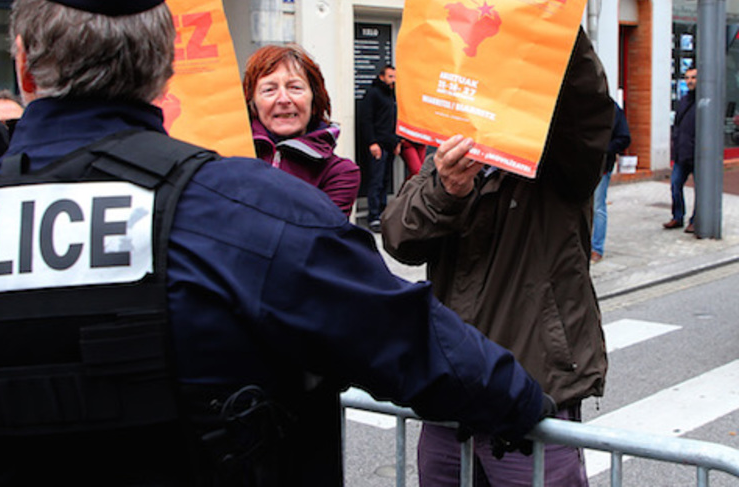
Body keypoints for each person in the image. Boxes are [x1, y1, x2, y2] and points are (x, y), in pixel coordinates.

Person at [0, 0, 554, 486]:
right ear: (166, 70)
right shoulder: (251, 216)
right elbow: (431, 353)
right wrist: (526, 403)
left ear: (24, 65)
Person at [382, 29, 613, 487]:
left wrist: (556, 22)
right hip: (451, 391)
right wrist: (446, 191)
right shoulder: (450, 153)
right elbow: (398, 238)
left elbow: (587, 109)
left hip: (534, 392)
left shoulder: (560, 155)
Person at [243, 44, 360, 217]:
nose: (283, 99)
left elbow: (317, 233)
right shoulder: (227, 156)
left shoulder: (339, 173)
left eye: (295, 87)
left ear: (314, 101)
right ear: (253, 104)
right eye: (269, 90)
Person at [359, 64, 400, 232]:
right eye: (390, 77)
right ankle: (374, 216)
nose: (393, 80)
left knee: (385, 181)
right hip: (378, 145)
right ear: (382, 77)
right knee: (376, 180)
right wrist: (372, 143)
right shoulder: (373, 93)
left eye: (395, 77)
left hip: (390, 144)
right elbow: (366, 119)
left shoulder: (393, 96)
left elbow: (395, 120)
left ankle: (383, 213)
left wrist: (397, 142)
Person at [591, 100, 631, 263]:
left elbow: (624, 138)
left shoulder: (613, 109)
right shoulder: (582, 104)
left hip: (601, 167)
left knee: (597, 207)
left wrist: (604, 149)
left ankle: (596, 248)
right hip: (580, 166)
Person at [664, 67, 697, 234]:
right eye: (687, 78)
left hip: (698, 155)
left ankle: (696, 221)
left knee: (701, 190)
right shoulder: (683, 101)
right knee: (675, 185)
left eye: (693, 78)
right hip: (682, 153)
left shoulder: (704, 101)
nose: (690, 81)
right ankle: (677, 217)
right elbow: (677, 125)